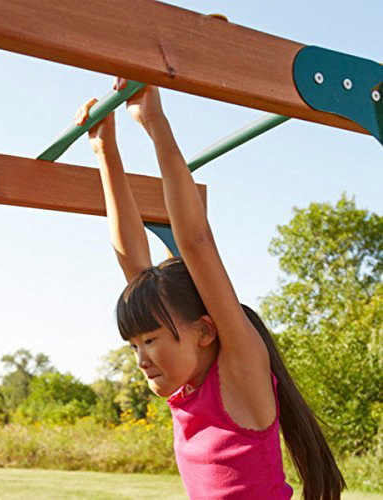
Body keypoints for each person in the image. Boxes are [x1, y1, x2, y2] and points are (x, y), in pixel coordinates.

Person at [74, 78, 346, 500]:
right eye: (134, 346)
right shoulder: (187, 382)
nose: (141, 359)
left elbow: (197, 244)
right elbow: (133, 264)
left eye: (149, 341)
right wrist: (105, 151)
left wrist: (153, 121)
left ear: (205, 331)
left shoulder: (239, 371)